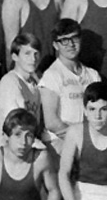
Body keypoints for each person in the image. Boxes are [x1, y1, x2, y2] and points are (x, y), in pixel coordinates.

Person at [39, 19, 102, 151]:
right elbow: (51, 122)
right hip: (59, 142)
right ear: (56, 45)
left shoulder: (93, 75)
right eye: (64, 40)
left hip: (90, 140)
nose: (71, 44)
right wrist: (80, 140)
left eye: (74, 38)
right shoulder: (52, 75)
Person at [0, 32, 44, 146]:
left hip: (28, 141)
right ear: (15, 57)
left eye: (36, 54)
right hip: (10, 146)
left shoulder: (34, 85)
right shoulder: (10, 82)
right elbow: (16, 126)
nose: (33, 59)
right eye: (27, 53)